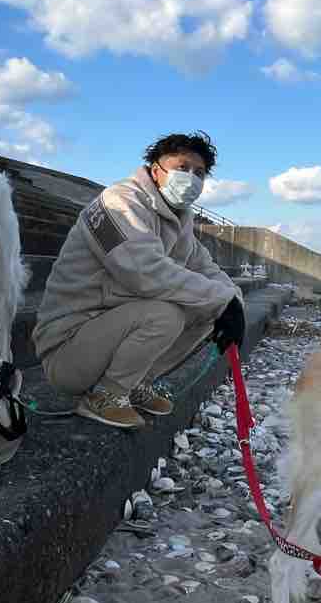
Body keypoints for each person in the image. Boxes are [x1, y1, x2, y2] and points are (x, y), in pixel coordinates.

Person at [32, 131, 245, 428]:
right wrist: (221, 300)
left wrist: (234, 300)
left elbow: (204, 267)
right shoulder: (118, 204)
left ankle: (135, 384)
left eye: (199, 173)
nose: (191, 178)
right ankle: (107, 395)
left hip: (110, 331)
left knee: (209, 310)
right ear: (156, 170)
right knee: (167, 314)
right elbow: (143, 270)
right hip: (68, 347)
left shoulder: (179, 220)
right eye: (182, 168)